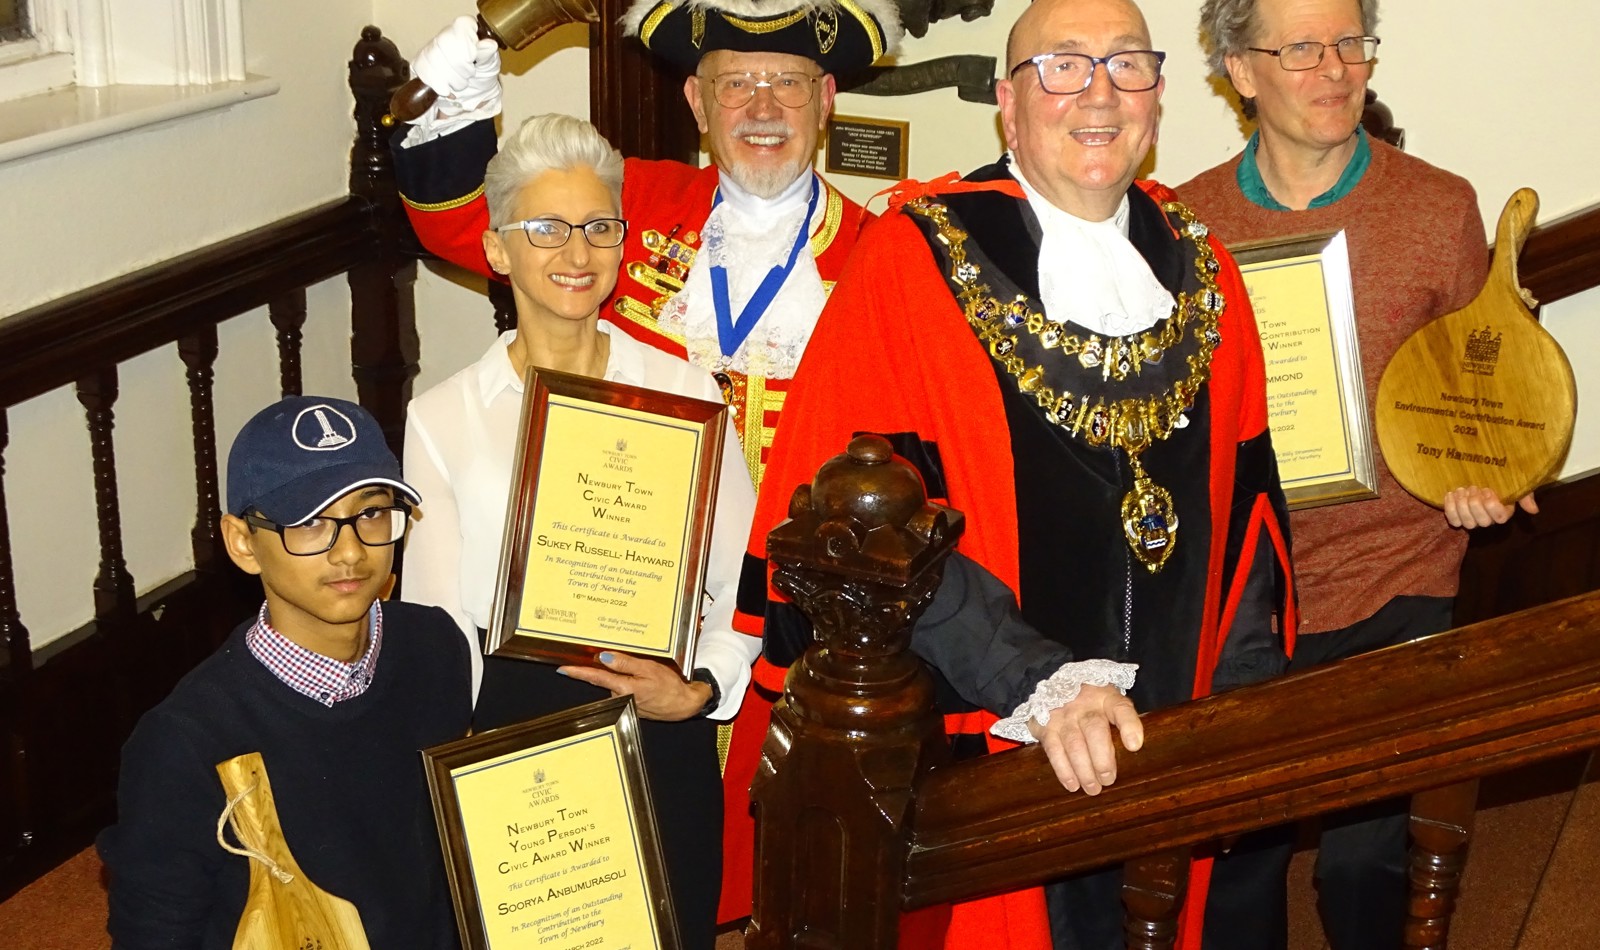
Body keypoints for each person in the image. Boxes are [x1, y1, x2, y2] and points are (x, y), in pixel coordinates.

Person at [732, 0, 1299, 947]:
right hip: (987, 748)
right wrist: (1040, 683)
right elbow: (861, 533)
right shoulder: (915, 259)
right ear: (1007, 101)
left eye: (1128, 66)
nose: (1101, 96)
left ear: (1159, 94)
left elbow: (1249, 523)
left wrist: (1241, 712)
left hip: (1169, 747)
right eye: (1063, 68)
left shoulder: (1205, 269)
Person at [1177, 2, 1535, 947]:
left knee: (1365, 860)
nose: (1335, 69)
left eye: (1350, 43)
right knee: (1234, 859)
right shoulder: (1182, 223)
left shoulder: (1437, 205)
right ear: (1239, 71)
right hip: (1245, 584)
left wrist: (1484, 472)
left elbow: (1478, 390)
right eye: (1300, 48)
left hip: (1398, 565)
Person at [402, 112, 760, 950]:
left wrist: (701, 688)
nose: (576, 253)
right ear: (497, 250)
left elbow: (742, 579)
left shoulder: (686, 394)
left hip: (651, 707)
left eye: (599, 226)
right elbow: (434, 621)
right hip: (507, 727)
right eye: (546, 229)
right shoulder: (442, 416)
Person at [394, 0, 902, 488]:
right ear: (698, 103)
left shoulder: (884, 254)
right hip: (627, 542)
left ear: (826, 100)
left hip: (804, 568)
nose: (762, 108)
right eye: (735, 84)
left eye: (790, 83)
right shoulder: (628, 202)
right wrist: (453, 117)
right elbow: (460, 227)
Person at [98, 396, 470, 949]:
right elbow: (155, 933)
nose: (349, 552)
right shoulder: (185, 743)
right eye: (311, 523)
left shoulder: (435, 646)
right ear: (243, 543)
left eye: (371, 513)